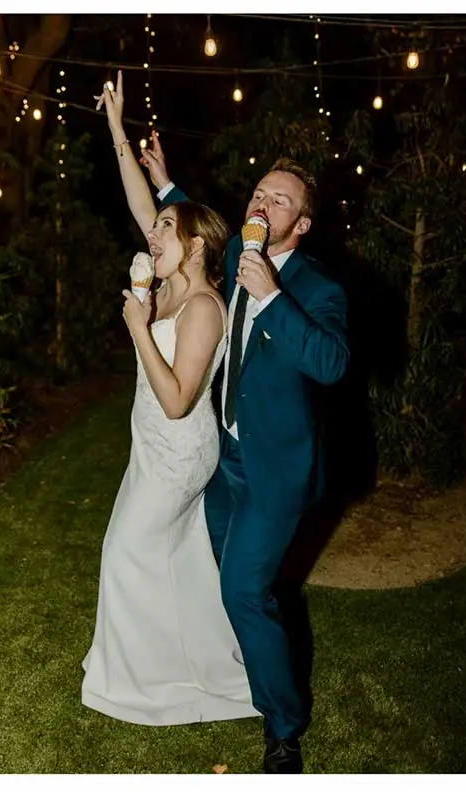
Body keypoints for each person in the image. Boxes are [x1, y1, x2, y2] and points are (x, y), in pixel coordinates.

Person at [140, 126, 351, 773]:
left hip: (276, 474)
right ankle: (236, 668)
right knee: (223, 576)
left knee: (243, 590)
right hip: (225, 459)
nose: (262, 205)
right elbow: (190, 218)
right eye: (260, 193)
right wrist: (163, 183)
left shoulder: (316, 290)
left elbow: (333, 362)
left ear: (303, 224)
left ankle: (284, 726)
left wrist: (271, 298)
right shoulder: (235, 256)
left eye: (280, 201)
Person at [81, 72, 260, 728]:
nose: (149, 233)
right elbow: (140, 202)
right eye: (152, 226)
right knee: (176, 560)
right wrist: (115, 129)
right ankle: (195, 663)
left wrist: (136, 328)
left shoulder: (206, 306)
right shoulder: (175, 282)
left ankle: (136, 681)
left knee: (126, 549)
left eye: (163, 228)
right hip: (151, 442)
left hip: (179, 449)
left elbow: (182, 399)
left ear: (193, 245)